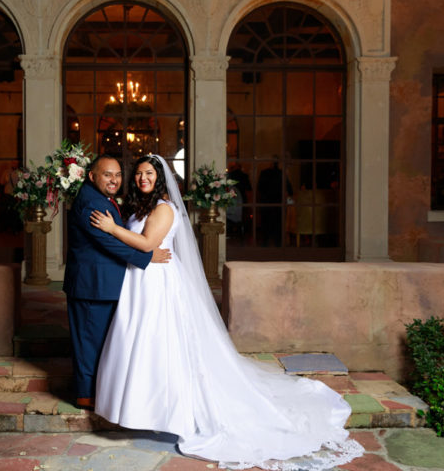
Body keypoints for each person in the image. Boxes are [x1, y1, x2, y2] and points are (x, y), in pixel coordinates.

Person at [89, 155, 363, 470]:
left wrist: (111, 228)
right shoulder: (142, 207)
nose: (142, 178)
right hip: (141, 280)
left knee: (160, 340)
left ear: (160, 178)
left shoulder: (165, 208)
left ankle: (169, 410)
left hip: (158, 282)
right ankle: (143, 408)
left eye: (148, 173)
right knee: (141, 341)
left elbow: (149, 242)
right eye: (138, 174)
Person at [63, 155, 171, 410]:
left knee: (102, 341)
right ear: (92, 176)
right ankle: (85, 395)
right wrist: (145, 255)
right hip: (92, 285)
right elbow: (108, 241)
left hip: (105, 283)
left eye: (118, 175)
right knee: (89, 341)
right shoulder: (91, 202)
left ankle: (100, 390)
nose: (114, 180)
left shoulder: (105, 199)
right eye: (107, 174)